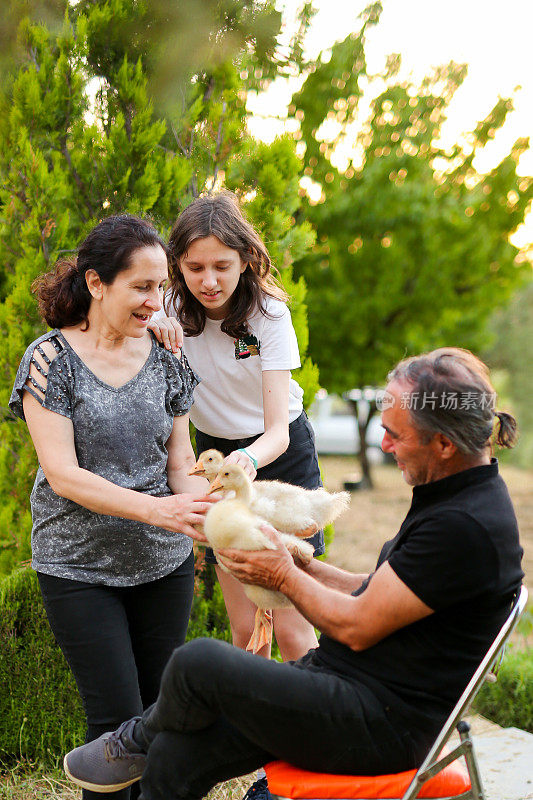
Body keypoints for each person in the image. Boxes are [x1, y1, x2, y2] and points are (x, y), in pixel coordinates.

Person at [63, 346, 523, 800]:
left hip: (383, 723)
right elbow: (378, 593)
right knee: (177, 757)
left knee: (197, 663)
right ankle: (146, 745)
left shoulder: (465, 525)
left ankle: (132, 741)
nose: (384, 445)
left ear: (444, 444)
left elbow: (357, 626)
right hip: (354, 689)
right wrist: (304, 562)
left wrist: (284, 574)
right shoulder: (452, 495)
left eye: (396, 436)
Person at [9, 215, 218, 800]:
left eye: (162, 288)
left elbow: (180, 463)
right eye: (142, 287)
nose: (157, 302)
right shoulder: (50, 361)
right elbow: (64, 474)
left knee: (160, 718)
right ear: (97, 283)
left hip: (163, 563)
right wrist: (160, 512)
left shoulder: (169, 357)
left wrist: (208, 500)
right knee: (114, 725)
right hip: (78, 568)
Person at [149, 192, 324, 666]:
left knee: (290, 621)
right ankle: (257, 729)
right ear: (177, 265)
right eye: (194, 267)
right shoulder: (165, 309)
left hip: (277, 454)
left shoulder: (268, 317)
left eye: (222, 266)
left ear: (246, 260)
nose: (209, 281)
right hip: (214, 454)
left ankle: (315, 728)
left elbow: (277, 432)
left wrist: (242, 464)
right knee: (245, 623)